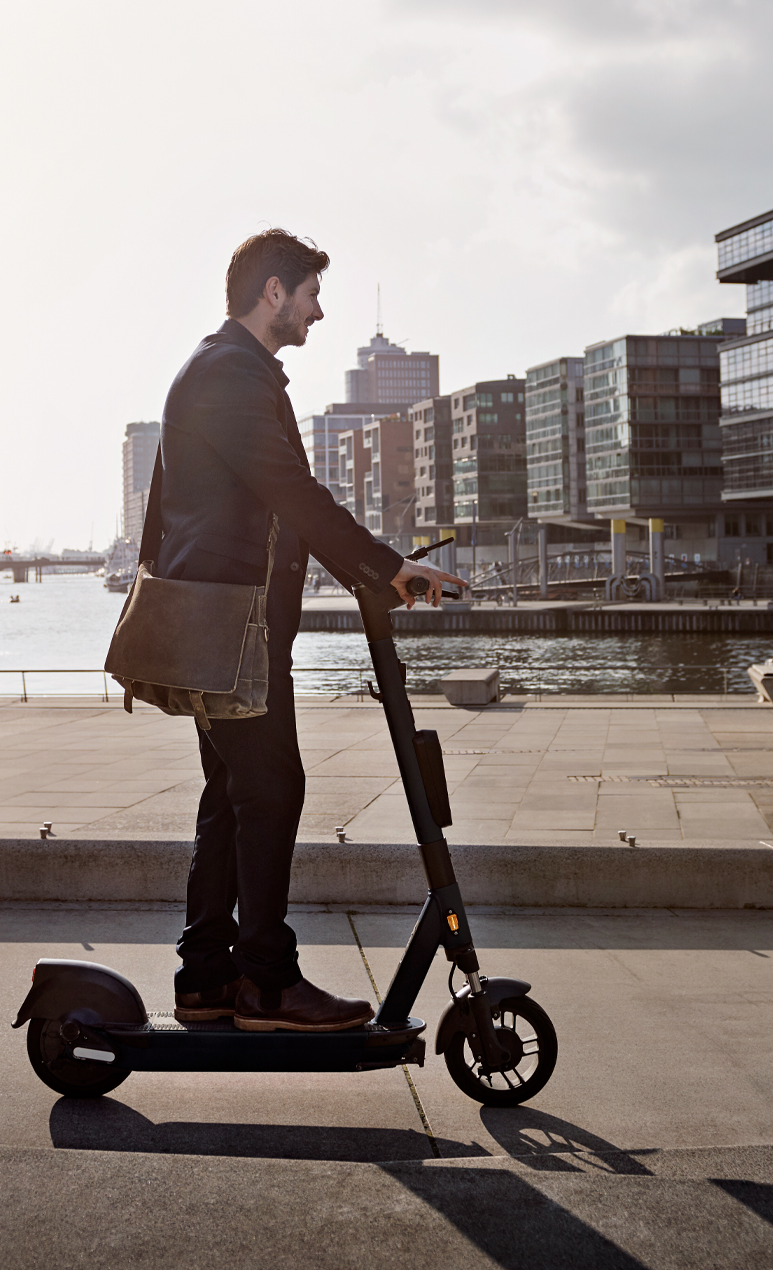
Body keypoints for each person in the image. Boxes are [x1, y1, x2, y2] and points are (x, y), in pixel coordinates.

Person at [157, 228, 465, 1033]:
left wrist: (373, 571)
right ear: (272, 292)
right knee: (271, 789)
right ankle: (264, 981)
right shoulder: (229, 373)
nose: (317, 311)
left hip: (222, 624)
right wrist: (387, 568)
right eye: (310, 295)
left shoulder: (225, 370)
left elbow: (227, 509)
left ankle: (204, 978)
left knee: (232, 795)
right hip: (233, 629)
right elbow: (293, 493)